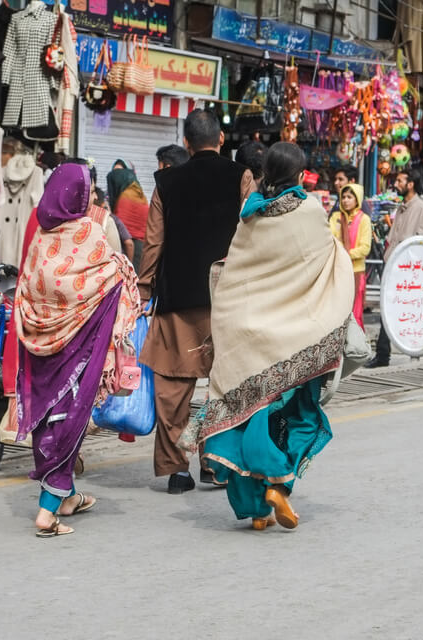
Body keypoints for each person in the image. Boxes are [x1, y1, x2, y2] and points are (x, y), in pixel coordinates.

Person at [180, 141, 354, 530]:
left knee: (245, 416)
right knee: (296, 414)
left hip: (247, 337)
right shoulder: (309, 211)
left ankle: (257, 510)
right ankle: (280, 483)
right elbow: (329, 261)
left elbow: (234, 277)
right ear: (300, 175)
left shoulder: (249, 216)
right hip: (292, 339)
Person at [15, 162, 141, 537]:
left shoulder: (40, 236)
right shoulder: (88, 232)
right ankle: (46, 511)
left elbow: (32, 285)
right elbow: (109, 278)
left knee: (47, 420)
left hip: (41, 350)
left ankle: (66, 498)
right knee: (68, 423)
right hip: (77, 352)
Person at [138, 109, 255, 494]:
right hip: (227, 298)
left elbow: (154, 243)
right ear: (221, 139)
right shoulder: (240, 177)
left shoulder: (166, 182)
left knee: (173, 388)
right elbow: (252, 235)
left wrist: (143, 289)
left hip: (177, 299)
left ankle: (177, 471)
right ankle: (214, 464)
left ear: (186, 143)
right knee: (221, 384)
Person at [365, 167, 423, 368]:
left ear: (411, 184)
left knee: (414, 310)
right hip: (394, 265)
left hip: (410, 271)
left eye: (401, 181)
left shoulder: (420, 208)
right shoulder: (402, 207)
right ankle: (383, 354)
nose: (396, 184)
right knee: (390, 308)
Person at [329, 183, 372, 328]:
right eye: (343, 197)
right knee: (335, 312)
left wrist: (344, 254)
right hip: (337, 271)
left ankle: (355, 347)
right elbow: (330, 240)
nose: (345, 200)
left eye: (349, 197)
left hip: (355, 272)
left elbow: (365, 248)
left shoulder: (364, 219)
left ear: (357, 199)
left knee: (355, 312)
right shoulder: (335, 217)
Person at [106, 159, 149, 269]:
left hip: (128, 245)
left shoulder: (125, 197)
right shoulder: (137, 192)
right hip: (141, 244)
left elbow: (120, 229)